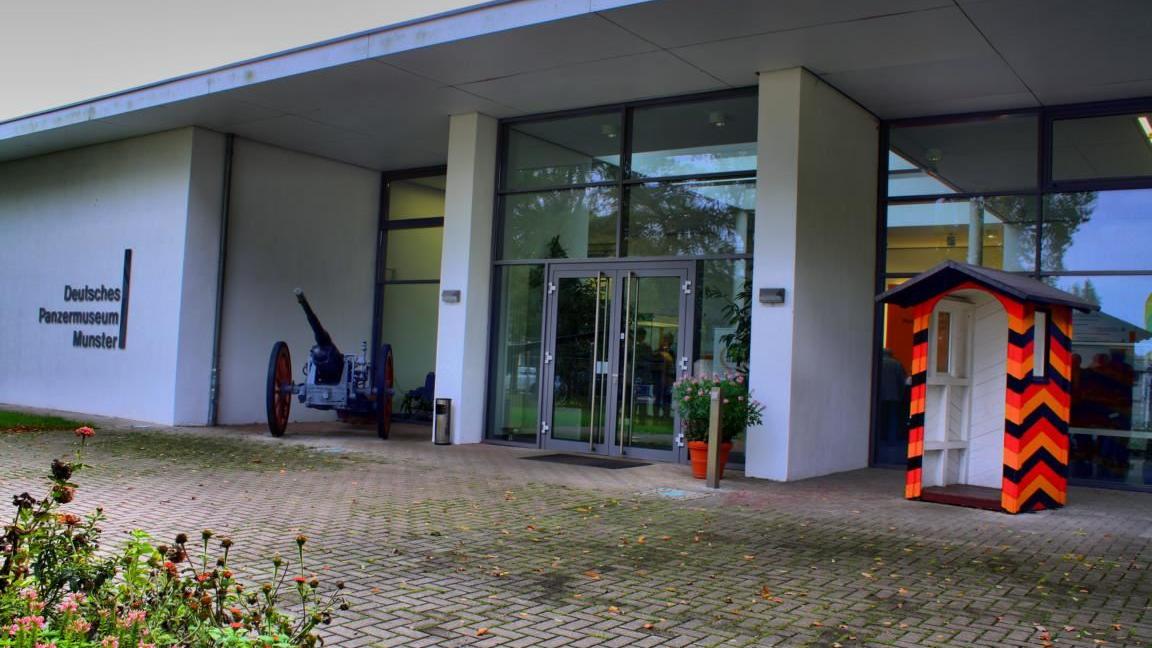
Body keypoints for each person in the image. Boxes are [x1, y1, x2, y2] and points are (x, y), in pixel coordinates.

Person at [878, 348, 910, 464]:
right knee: (893, 419)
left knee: (880, 418)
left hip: (879, 396)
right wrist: (900, 394)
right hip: (893, 396)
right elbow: (902, 381)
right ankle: (892, 441)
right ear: (891, 354)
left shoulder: (877, 362)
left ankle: (879, 438)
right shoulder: (897, 364)